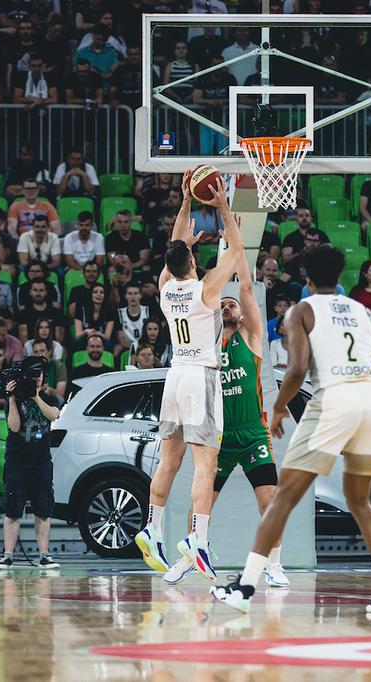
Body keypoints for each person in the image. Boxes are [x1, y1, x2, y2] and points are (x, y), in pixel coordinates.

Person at [212, 244, 371, 615]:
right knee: (361, 501)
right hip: (368, 403)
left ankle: (246, 587)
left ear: (306, 277)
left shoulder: (303, 309)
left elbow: (297, 368)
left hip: (332, 401)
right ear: (341, 276)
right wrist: (369, 400)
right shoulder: (362, 311)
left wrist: (282, 405)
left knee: (283, 497)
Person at [134, 174, 243, 581]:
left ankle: (153, 526)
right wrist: (222, 206)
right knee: (205, 463)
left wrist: (184, 203)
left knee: (169, 459)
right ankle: (197, 538)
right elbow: (234, 251)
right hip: (201, 377)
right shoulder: (205, 290)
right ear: (194, 263)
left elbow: (172, 250)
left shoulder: (165, 287)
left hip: (174, 376)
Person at [163, 249, 288, 587]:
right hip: (218, 435)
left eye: (231, 305)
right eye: (222, 304)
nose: (227, 307)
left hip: (252, 435)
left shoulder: (251, 338)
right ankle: (191, 555)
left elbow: (247, 290)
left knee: (269, 501)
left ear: (242, 315)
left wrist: (241, 256)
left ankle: (274, 564)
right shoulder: (206, 343)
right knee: (201, 501)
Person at [0, 357, 62, 569]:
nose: (37, 377)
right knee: (13, 508)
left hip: (41, 460)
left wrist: (37, 398)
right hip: (17, 459)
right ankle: (8, 555)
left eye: (39, 373)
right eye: (33, 373)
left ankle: (44, 555)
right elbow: (14, 427)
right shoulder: (14, 397)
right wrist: (12, 399)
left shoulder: (50, 398)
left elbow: (54, 415)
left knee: (43, 508)